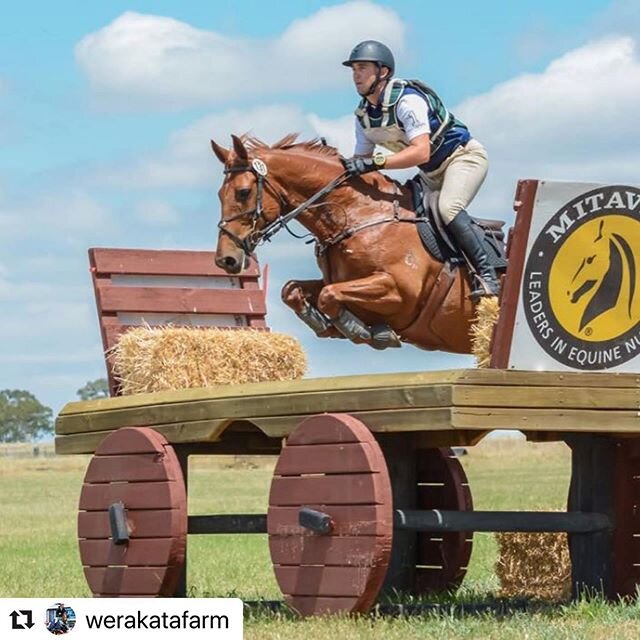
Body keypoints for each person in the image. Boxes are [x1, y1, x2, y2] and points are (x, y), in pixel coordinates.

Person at [341, 40, 498, 298]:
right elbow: (362, 162)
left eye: (362, 68)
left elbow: (420, 151)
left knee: (448, 208)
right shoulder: (363, 116)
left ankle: (488, 276)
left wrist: (377, 162)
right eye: (353, 70)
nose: (356, 75)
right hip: (430, 173)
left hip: (462, 159)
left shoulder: (407, 101)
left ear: (383, 72)